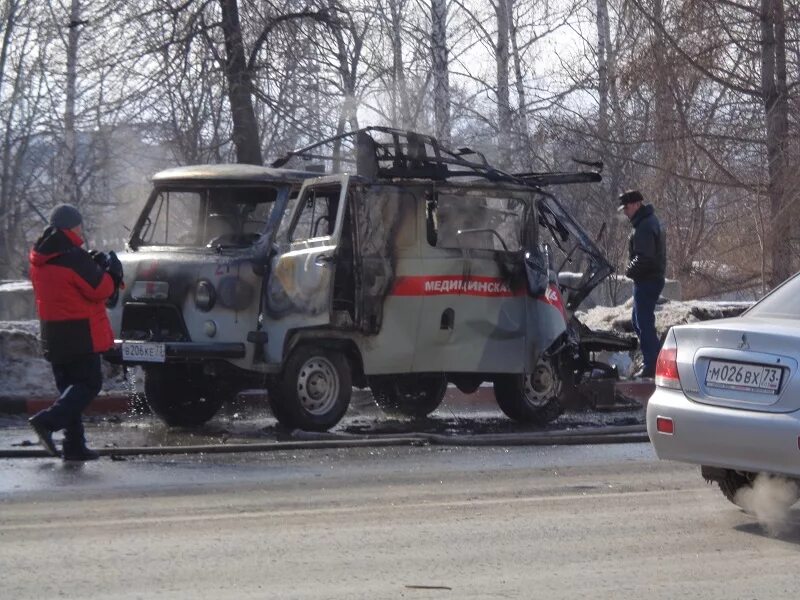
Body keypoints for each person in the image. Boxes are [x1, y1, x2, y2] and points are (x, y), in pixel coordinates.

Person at [27, 204, 123, 461]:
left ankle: (74, 446)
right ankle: (47, 422)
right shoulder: (73, 258)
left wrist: (90, 265)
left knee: (70, 391)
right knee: (89, 384)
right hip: (80, 334)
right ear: (72, 227)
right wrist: (112, 272)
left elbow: (67, 287)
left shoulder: (40, 256)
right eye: (79, 225)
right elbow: (101, 290)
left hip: (53, 333)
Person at [618, 190, 667, 379]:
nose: (625, 212)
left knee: (644, 323)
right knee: (639, 321)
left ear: (637, 204)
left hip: (647, 280)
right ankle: (653, 361)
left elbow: (644, 258)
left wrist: (629, 270)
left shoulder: (644, 226)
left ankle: (652, 365)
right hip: (649, 279)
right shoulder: (648, 222)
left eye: (627, 207)